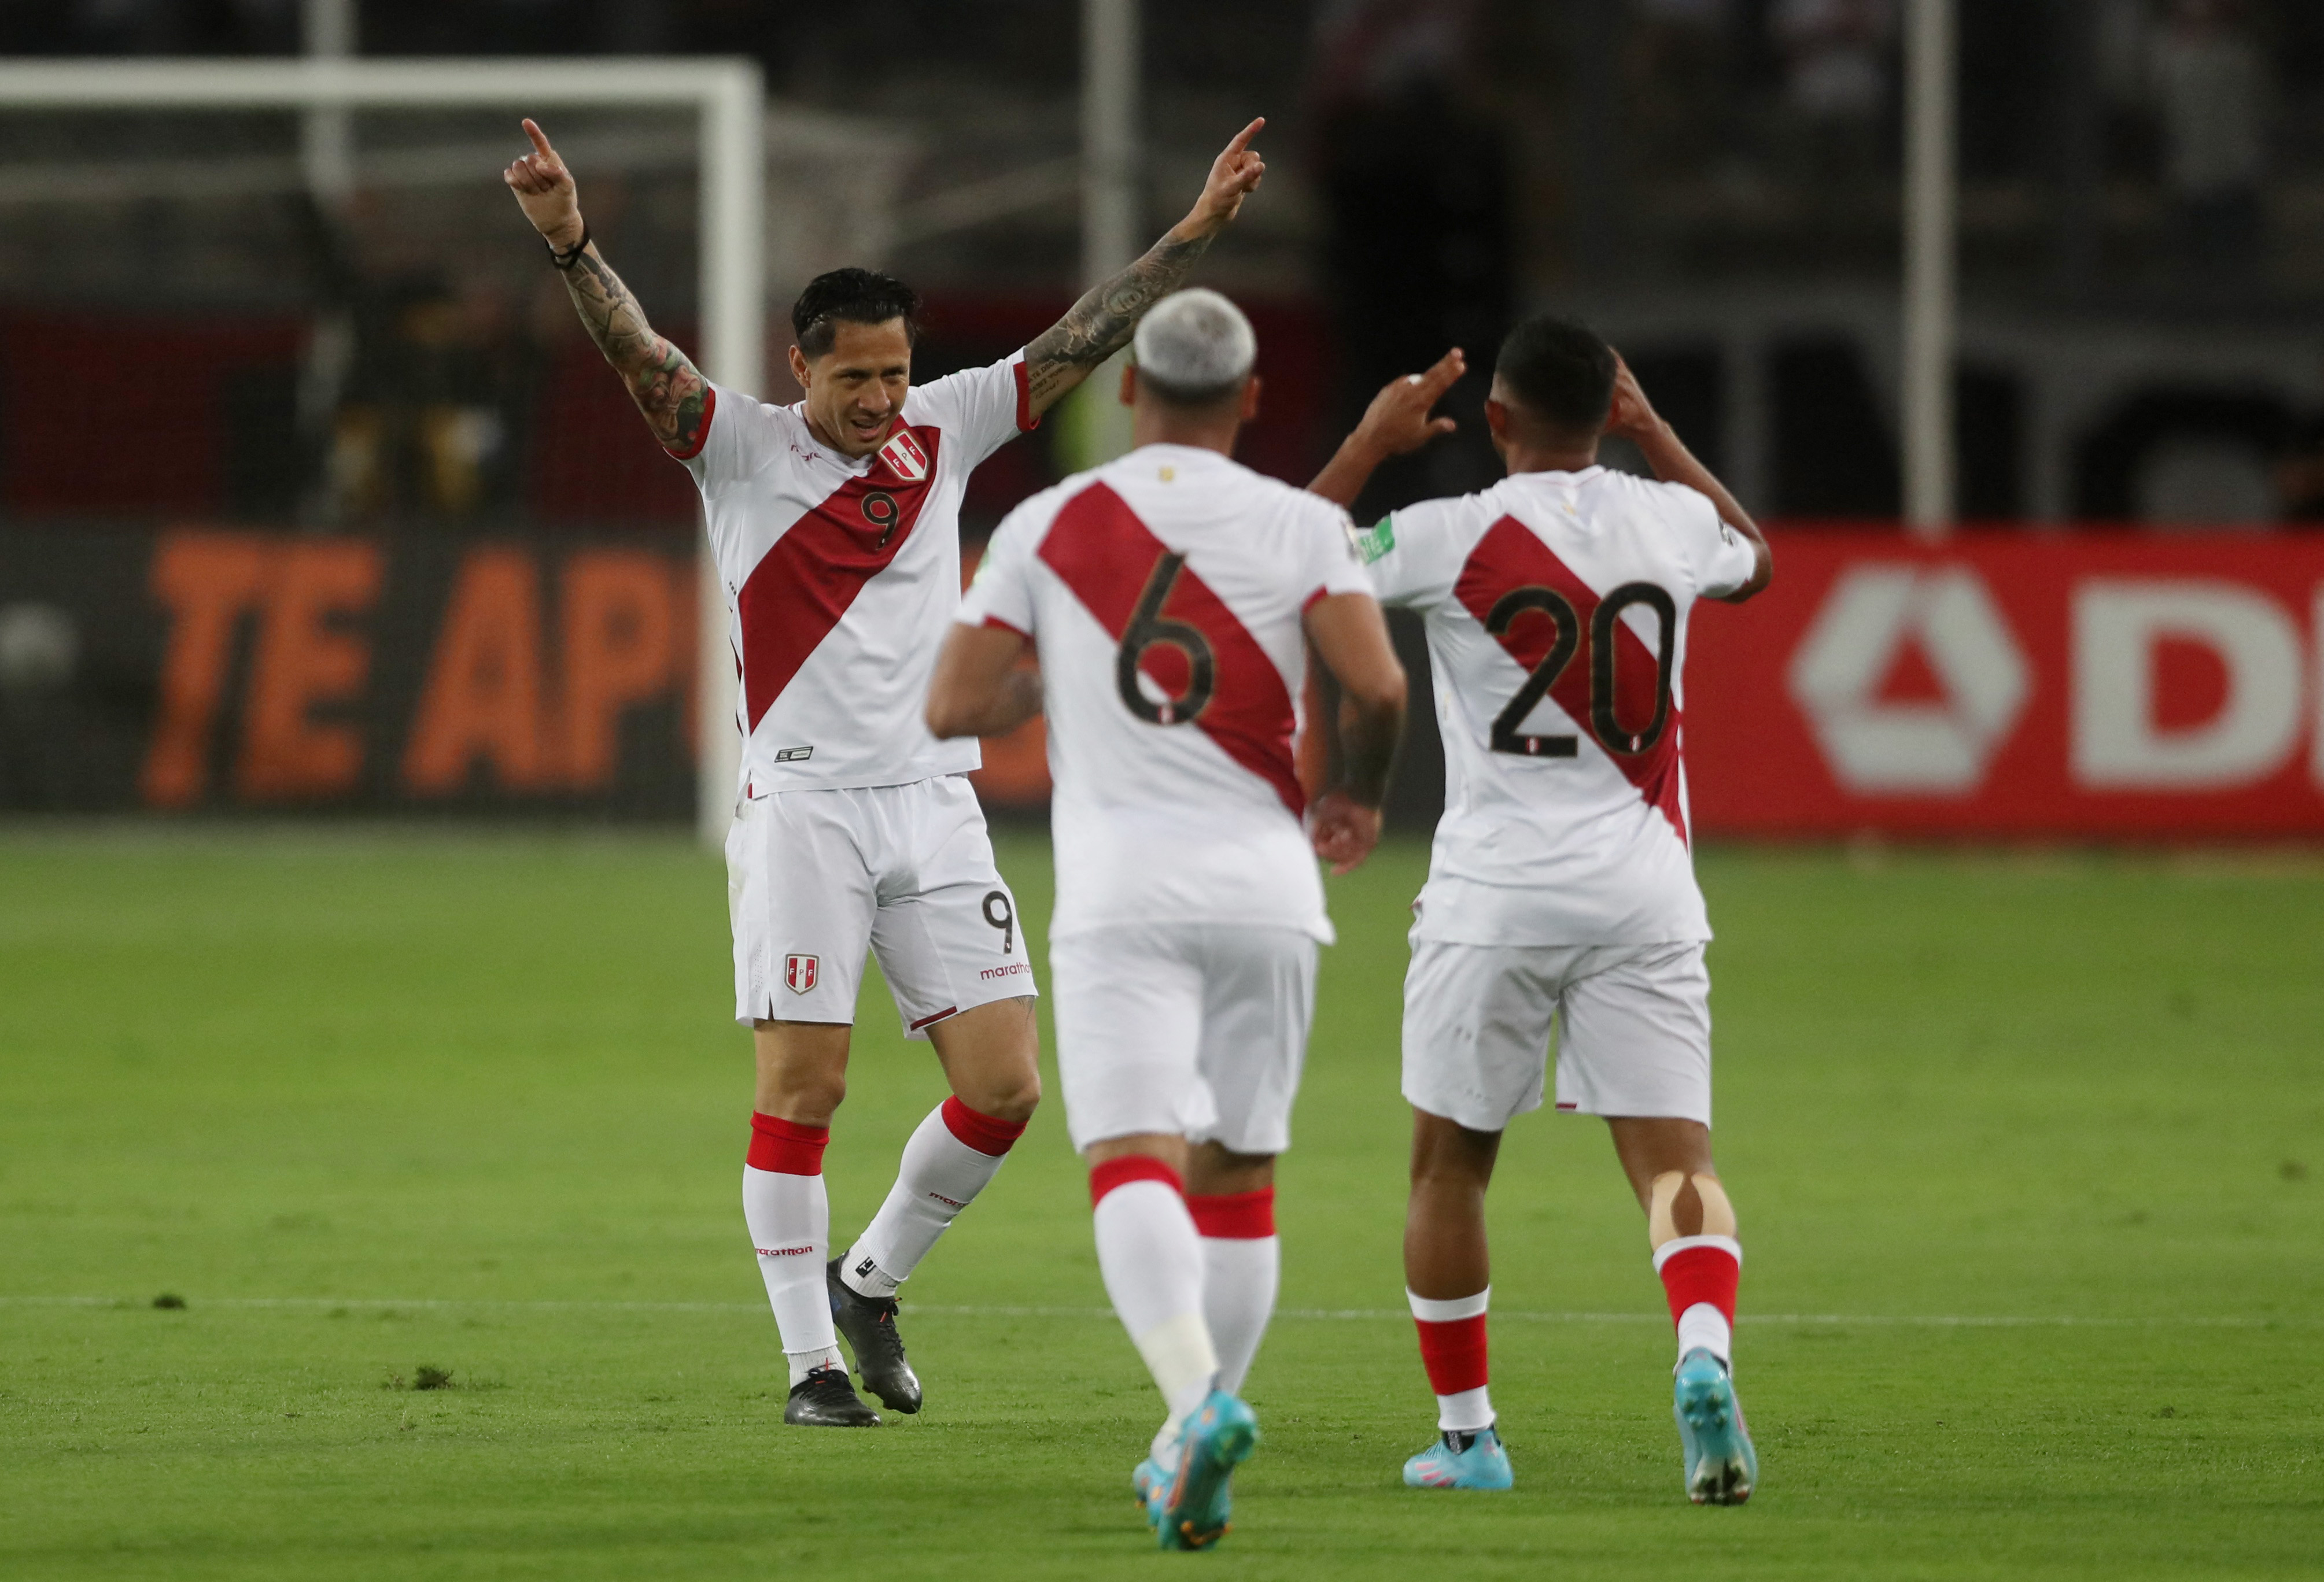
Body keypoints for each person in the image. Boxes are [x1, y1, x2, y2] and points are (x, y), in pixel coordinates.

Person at [502, 116, 1269, 1428]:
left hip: (933, 801)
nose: (878, 401)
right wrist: (572, 242)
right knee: (806, 1088)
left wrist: (1191, 238)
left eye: (894, 374)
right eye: (854, 378)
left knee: (1006, 1088)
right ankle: (807, 1366)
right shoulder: (734, 446)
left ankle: (870, 1282)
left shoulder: (946, 426)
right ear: (799, 367)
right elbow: (638, 355)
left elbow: (1079, 336)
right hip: (803, 809)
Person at [925, 289, 1411, 1548]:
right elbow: (1375, 685)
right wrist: (1354, 798)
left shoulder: (1047, 523)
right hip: (1267, 892)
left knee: (1130, 1157)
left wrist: (1065, 684)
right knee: (1240, 1173)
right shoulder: (1300, 525)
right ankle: (1197, 1430)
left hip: (1123, 895)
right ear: (1252, 401)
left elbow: (951, 704)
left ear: (1127, 390)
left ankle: (1192, 1405)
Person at [1309, 315, 1773, 1502]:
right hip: (1643, 891)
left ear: (1496, 419)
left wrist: (1365, 445)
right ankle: (1701, 1355)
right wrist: (1658, 437)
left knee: (1448, 1170)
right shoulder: (1670, 522)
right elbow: (1754, 557)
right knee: (1678, 1158)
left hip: (1494, 897)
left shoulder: (1444, 535)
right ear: (1607, 409)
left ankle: (1467, 1441)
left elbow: (1279, 564)